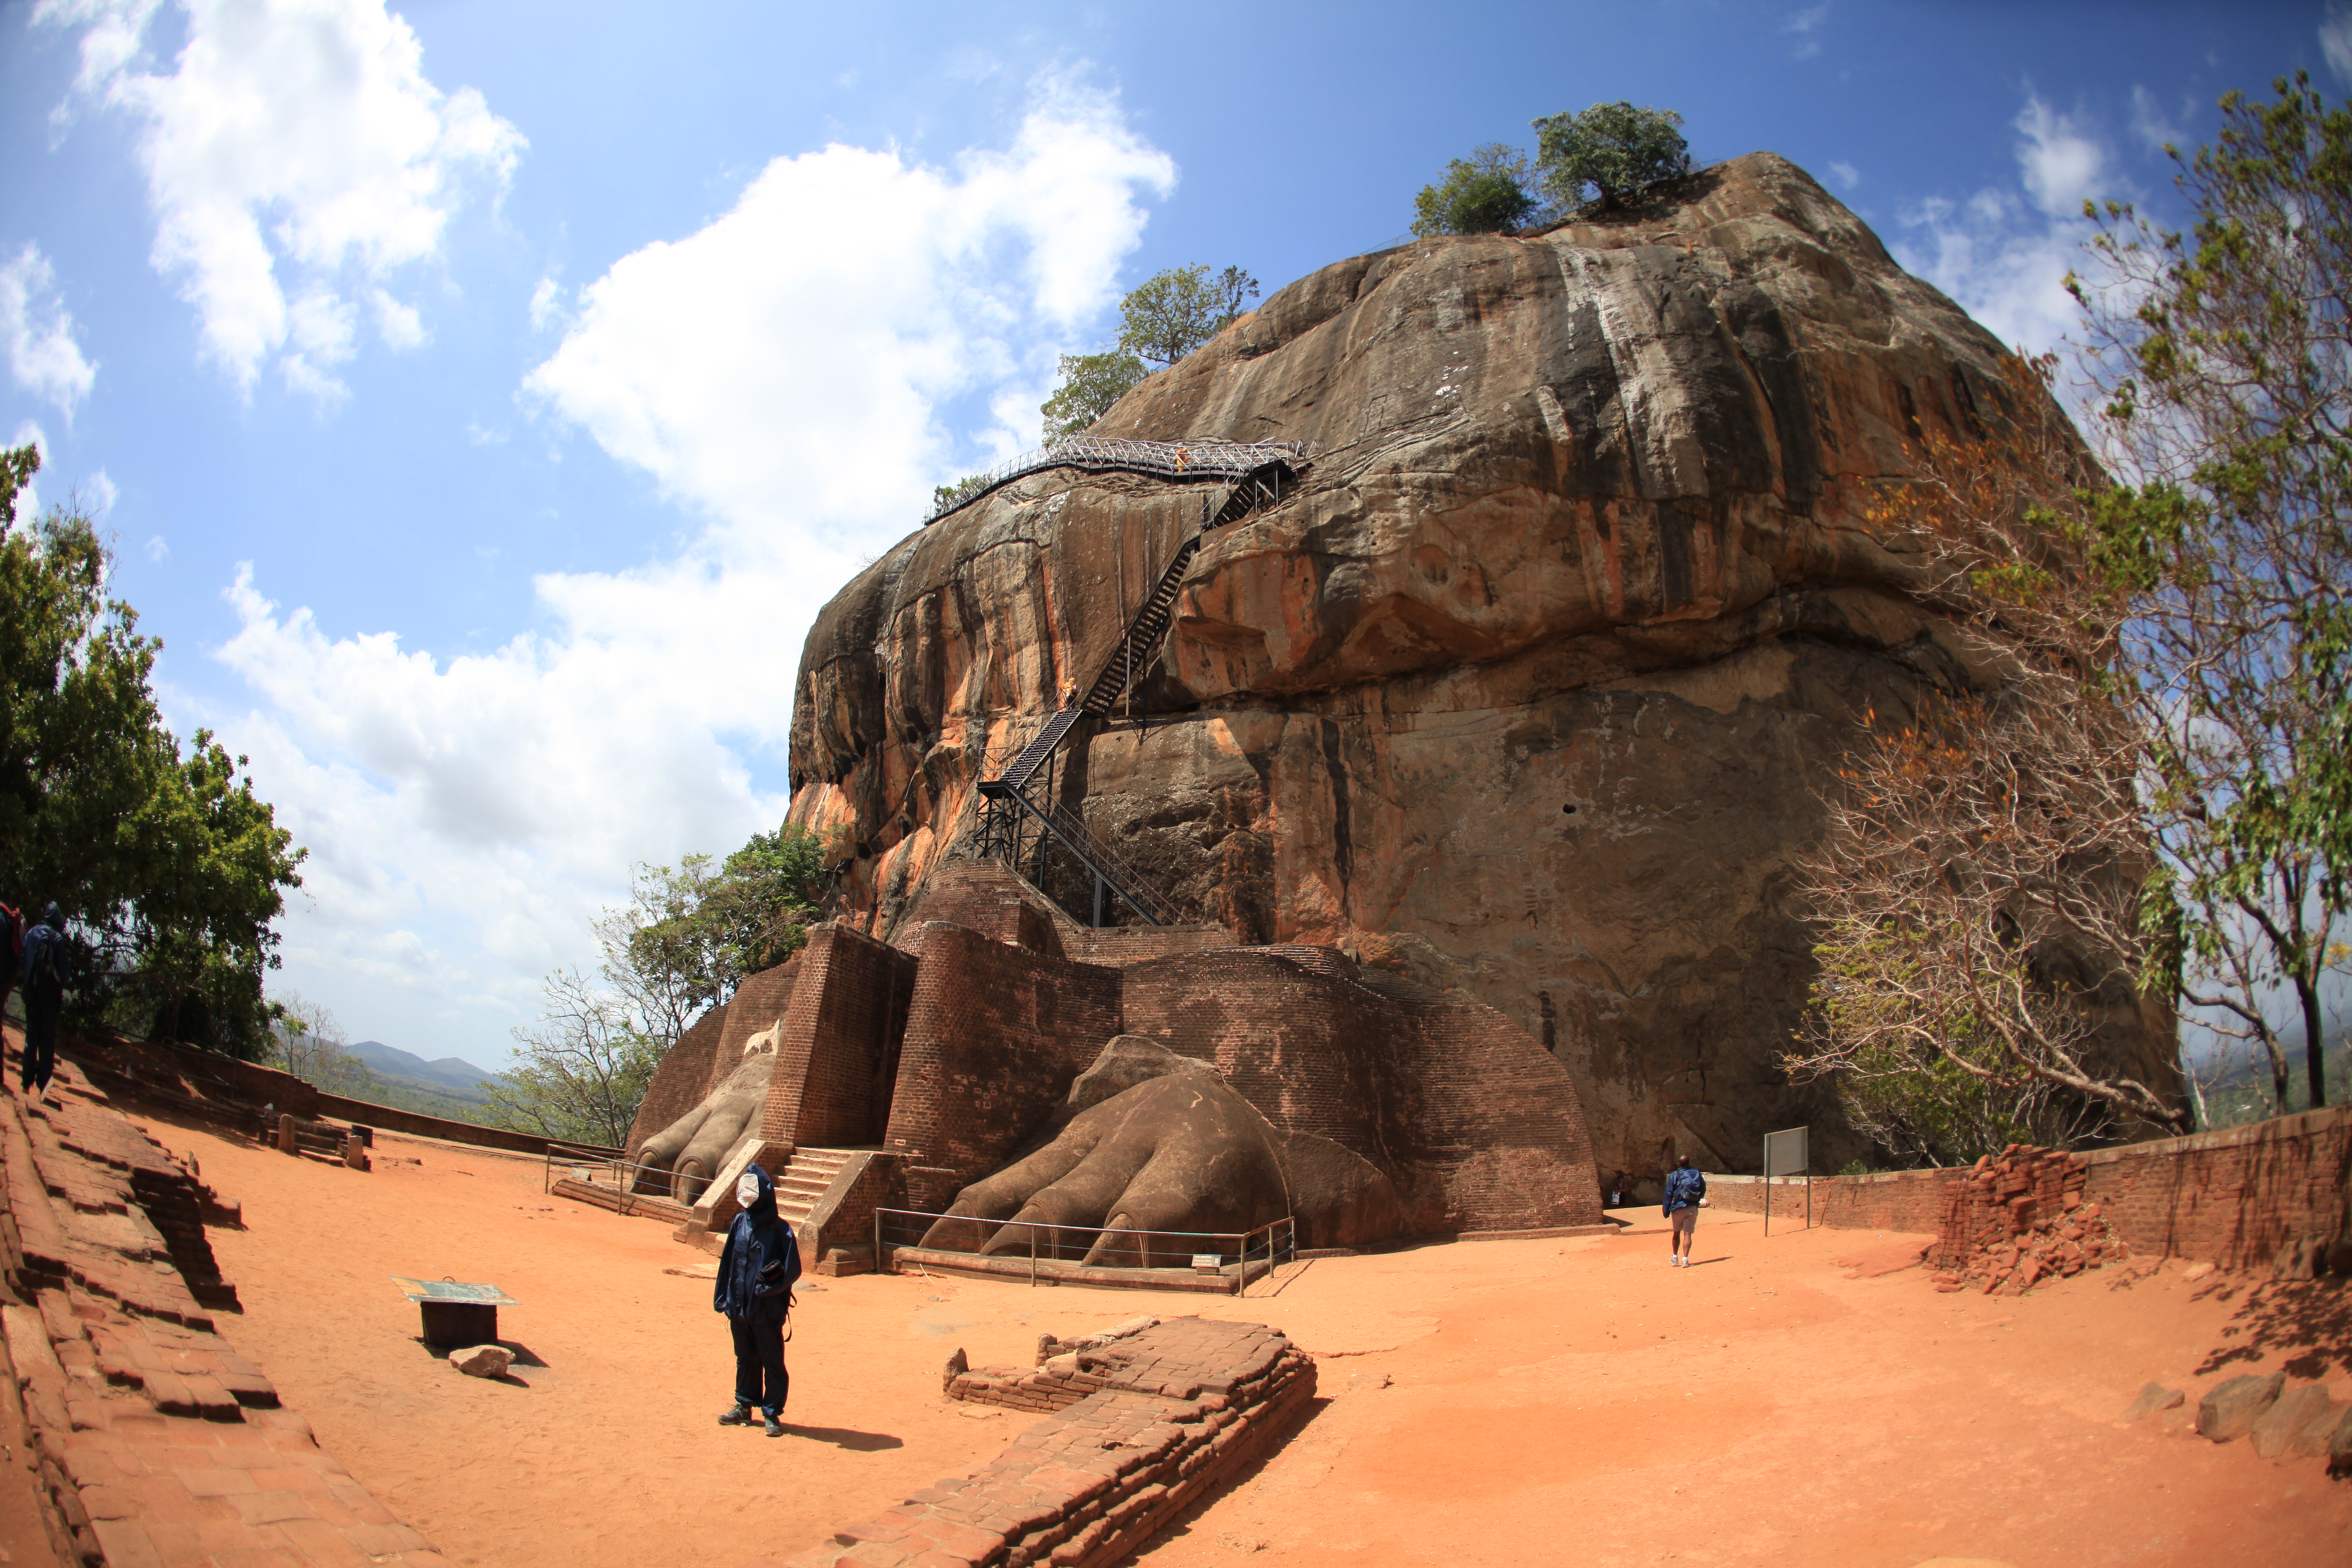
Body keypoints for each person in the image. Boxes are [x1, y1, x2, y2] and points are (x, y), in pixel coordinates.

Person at [714, 1163, 799, 1436]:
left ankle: (772, 1413)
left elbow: (792, 1269)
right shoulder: (740, 1223)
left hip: (766, 1309)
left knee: (772, 1360)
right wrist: (723, 1297)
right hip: (739, 1306)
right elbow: (728, 1262)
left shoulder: (780, 1230)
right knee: (745, 1358)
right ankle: (744, 1405)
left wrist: (769, 1288)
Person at [18, 903, 69, 1100]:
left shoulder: (31, 934)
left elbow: (23, 960)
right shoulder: (57, 938)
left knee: (31, 1038)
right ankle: (44, 1087)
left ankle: (26, 1083)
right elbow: (64, 973)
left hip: (31, 994)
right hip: (50, 998)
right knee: (47, 1041)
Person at [1662, 1153, 1706, 1268]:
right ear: (1689, 1163)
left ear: (1679, 1164)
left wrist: (1666, 1210)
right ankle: (1685, 1259)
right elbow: (1703, 1188)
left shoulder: (1674, 1175)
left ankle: (1675, 1257)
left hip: (1678, 1208)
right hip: (1692, 1208)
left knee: (1676, 1233)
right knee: (1688, 1234)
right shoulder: (1696, 1173)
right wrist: (1697, 1200)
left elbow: (1669, 1193)